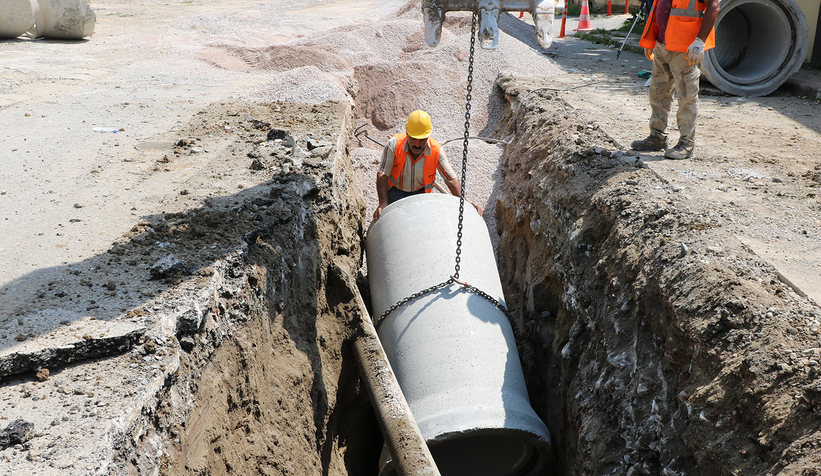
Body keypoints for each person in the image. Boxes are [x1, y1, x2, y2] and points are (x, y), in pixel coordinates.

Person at [630, 0, 720, 160]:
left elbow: (714, 6)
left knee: (687, 97)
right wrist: (652, 38)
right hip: (662, 44)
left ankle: (686, 144)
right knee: (658, 93)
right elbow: (659, 9)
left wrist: (700, 41)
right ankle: (657, 137)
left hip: (684, 49)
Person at [372, 110, 482, 221]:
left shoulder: (436, 150)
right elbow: (383, 174)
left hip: (421, 195)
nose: (417, 144)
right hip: (395, 193)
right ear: (407, 133)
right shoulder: (394, 144)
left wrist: (464, 202)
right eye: (414, 139)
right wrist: (383, 203)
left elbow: (450, 179)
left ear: (428, 136)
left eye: (422, 140)